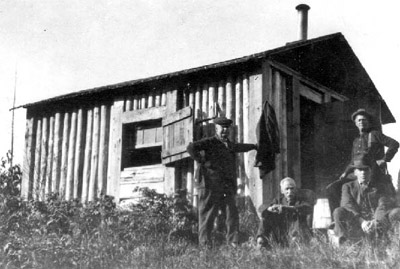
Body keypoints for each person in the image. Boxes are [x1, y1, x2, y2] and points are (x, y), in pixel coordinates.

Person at [186, 116, 257, 247]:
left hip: (226, 185)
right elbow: (190, 147)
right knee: (208, 214)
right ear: (216, 128)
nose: (224, 131)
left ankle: (233, 243)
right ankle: (205, 245)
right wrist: (202, 161)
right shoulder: (210, 142)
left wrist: (253, 146)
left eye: (227, 128)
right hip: (209, 184)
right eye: (222, 128)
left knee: (232, 213)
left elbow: (238, 147)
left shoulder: (229, 144)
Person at [327, 108, 399, 213]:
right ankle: (341, 215)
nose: (362, 122)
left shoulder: (375, 134)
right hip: (356, 173)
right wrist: (345, 172)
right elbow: (353, 161)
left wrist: (384, 159)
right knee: (332, 188)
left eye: (364, 120)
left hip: (373, 172)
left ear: (368, 122)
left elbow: (394, 144)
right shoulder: (356, 141)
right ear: (356, 123)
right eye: (359, 120)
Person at [332, 154, 400, 246]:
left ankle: (395, 245)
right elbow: (347, 205)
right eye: (360, 170)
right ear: (355, 172)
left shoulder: (380, 186)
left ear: (370, 171)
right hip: (357, 222)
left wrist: (375, 222)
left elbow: (382, 205)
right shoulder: (348, 186)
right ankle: (345, 246)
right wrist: (362, 222)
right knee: (338, 211)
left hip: (377, 222)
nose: (363, 173)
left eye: (366, 169)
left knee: (396, 212)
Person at [256, 177, 313, 249]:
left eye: (292, 188)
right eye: (287, 189)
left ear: (296, 190)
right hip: (281, 233)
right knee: (266, 217)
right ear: (282, 191)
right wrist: (269, 209)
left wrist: (287, 208)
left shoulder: (300, 201)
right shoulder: (278, 201)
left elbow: (307, 208)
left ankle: (295, 244)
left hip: (297, 234)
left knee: (298, 217)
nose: (290, 191)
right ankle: (261, 241)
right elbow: (261, 209)